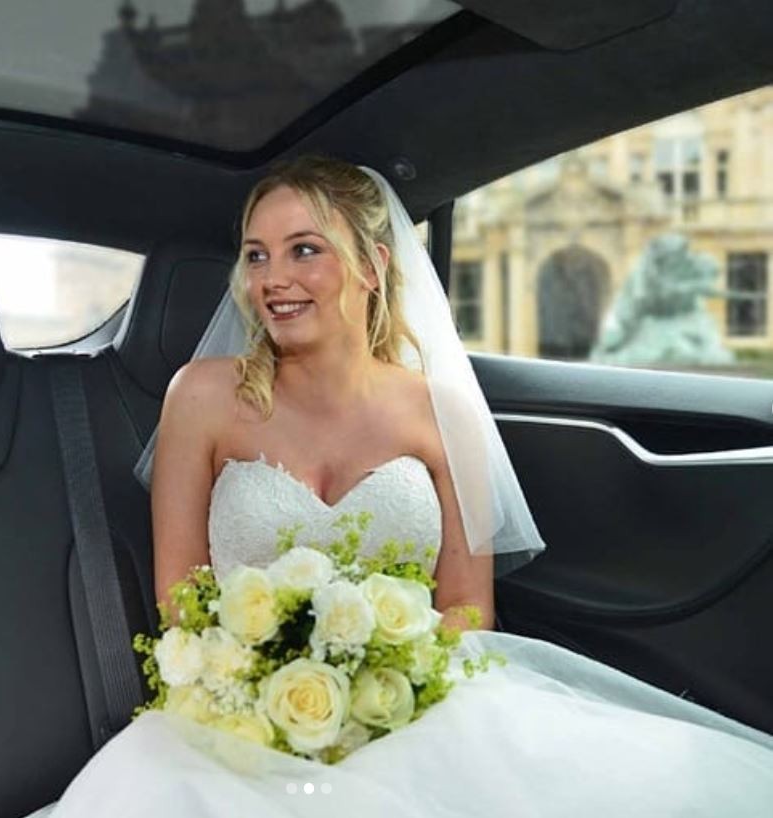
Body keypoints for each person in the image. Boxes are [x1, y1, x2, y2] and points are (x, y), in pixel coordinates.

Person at [41, 157, 773, 818]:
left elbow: (467, 610)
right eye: (256, 255)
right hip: (240, 717)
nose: (272, 278)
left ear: (372, 266)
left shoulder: (442, 411)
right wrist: (268, 695)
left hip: (409, 709)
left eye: (304, 249)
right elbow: (180, 600)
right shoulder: (200, 395)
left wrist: (378, 696)